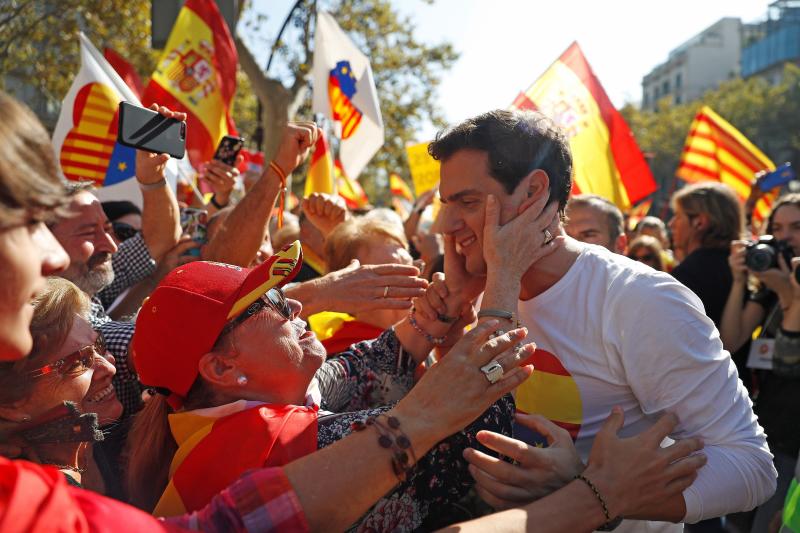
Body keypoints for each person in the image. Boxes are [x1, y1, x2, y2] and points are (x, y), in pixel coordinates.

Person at [0, 89, 704, 533]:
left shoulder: (218, 415)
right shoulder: (271, 443)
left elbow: (351, 370)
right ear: (223, 364)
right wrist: (503, 281)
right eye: (272, 306)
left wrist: (438, 315)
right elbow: (478, 423)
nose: (297, 303)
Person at [426, 109, 776, 531]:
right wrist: (449, 331)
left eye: (467, 202)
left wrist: (592, 492)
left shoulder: (639, 299)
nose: (446, 224)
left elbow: (750, 466)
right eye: (447, 205)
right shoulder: (481, 291)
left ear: (535, 192)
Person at [49, 105, 185, 418]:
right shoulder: (46, 315)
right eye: (89, 232)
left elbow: (158, 241)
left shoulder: (90, 281)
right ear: (44, 242)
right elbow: (143, 346)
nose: (109, 244)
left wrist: (152, 179)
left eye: (108, 229)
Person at [720, 195, 800, 533]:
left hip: (793, 442)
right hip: (764, 430)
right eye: (777, 228)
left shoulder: (785, 287)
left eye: (796, 228)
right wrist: (740, 281)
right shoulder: (769, 286)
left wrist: (791, 296)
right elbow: (729, 341)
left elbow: (787, 360)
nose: (786, 238)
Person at [0, 278, 122, 492]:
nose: (110, 368)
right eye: (78, 361)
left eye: (99, 345)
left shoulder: (111, 441)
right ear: (12, 402)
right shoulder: (26, 496)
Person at [315, 216, 414, 353]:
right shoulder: (343, 358)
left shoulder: (425, 338)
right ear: (350, 290)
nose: (413, 280)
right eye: (393, 273)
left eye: (411, 267)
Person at [669, 182, 744, 329]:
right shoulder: (745, 267)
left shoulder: (688, 273)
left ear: (699, 223)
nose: (671, 224)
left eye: (678, 216)